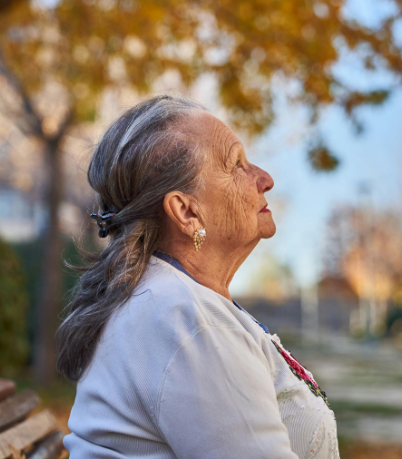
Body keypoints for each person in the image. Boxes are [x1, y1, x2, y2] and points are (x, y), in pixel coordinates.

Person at [57, 96, 338, 458]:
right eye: (237, 165)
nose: (265, 179)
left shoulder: (172, 302)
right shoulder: (187, 321)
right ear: (187, 212)